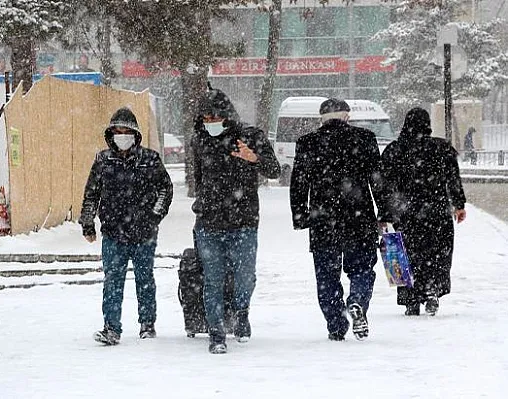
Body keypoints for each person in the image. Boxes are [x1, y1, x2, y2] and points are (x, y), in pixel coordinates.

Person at [191, 86, 280, 354]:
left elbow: (274, 170)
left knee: (245, 277)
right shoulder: (200, 141)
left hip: (243, 221)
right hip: (209, 221)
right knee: (213, 279)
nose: (211, 124)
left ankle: (242, 312)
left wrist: (253, 158)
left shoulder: (250, 136)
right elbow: (199, 179)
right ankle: (216, 331)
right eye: (206, 120)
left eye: (215, 119)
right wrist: (202, 206)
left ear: (227, 116)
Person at [289, 98, 386, 342]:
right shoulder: (365, 139)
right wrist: (384, 211)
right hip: (359, 216)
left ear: (321, 118)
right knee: (362, 268)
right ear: (347, 116)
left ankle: (335, 324)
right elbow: (378, 179)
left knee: (327, 276)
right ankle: (357, 300)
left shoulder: (307, 143)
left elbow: (298, 182)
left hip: (323, 218)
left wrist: (300, 214)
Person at [79, 107, 173, 346]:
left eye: (126, 131)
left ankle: (147, 324)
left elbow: (165, 189)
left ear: (135, 134)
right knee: (112, 281)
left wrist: (154, 215)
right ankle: (111, 328)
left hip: (144, 233)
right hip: (113, 233)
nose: (122, 135)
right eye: (117, 131)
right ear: (111, 135)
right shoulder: (103, 161)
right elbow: (91, 194)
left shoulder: (150, 160)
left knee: (145, 279)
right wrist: (88, 223)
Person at [379, 107, 466, 316]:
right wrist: (459, 204)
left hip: (404, 213)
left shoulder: (394, 150)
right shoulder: (442, 148)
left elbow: (383, 186)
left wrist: (383, 214)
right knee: (436, 253)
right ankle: (431, 289)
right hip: (436, 211)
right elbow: (453, 180)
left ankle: (410, 297)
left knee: (406, 253)